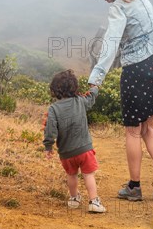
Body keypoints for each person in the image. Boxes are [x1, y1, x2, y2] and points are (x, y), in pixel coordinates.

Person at [87, 0, 153, 201]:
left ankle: (134, 187)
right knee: (149, 128)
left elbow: (111, 44)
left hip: (136, 69)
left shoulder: (118, 8)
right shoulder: (143, 0)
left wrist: (95, 79)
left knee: (132, 131)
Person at [43, 69, 106, 213]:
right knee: (88, 174)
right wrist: (95, 88)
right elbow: (90, 99)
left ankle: (74, 199)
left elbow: (50, 129)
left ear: (55, 89)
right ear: (74, 86)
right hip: (84, 149)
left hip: (66, 153)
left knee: (71, 175)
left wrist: (48, 146)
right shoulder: (80, 101)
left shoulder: (53, 109)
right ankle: (94, 202)